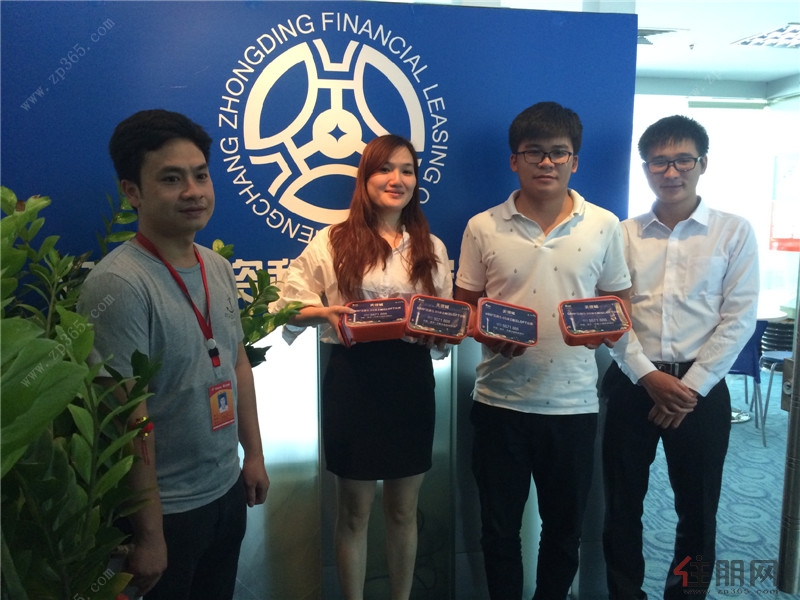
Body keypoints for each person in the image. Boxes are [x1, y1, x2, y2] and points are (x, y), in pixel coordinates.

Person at [77, 109, 270, 599]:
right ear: (132, 192)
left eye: (200, 175)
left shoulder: (217, 266)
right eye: (171, 179)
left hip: (225, 490)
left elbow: (237, 364)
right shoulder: (119, 284)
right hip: (166, 510)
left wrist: (253, 455)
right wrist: (149, 533)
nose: (193, 191)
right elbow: (129, 416)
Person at [454, 101, 632, 600]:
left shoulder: (604, 224)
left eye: (559, 152)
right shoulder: (482, 226)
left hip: (574, 406)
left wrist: (602, 331)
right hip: (499, 403)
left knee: (564, 531)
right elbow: (465, 307)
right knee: (498, 530)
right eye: (534, 152)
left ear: (575, 160)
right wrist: (486, 333)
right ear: (515, 160)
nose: (547, 162)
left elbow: (619, 301)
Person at [274, 134, 452, 600]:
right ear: (365, 178)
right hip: (352, 381)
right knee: (353, 512)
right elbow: (286, 306)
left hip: (411, 383)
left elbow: (444, 316)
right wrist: (325, 313)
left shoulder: (430, 246)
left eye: (407, 170)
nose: (397, 179)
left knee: (403, 511)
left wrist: (443, 332)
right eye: (385, 169)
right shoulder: (332, 240)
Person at [602, 115, 759, 599]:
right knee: (621, 504)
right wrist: (649, 377)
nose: (671, 172)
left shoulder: (732, 232)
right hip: (633, 384)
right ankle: (625, 593)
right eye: (659, 162)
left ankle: (686, 595)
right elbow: (610, 315)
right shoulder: (623, 234)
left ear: (702, 164)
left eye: (683, 161)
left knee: (698, 510)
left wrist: (688, 388)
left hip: (701, 392)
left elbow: (739, 317)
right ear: (645, 168)